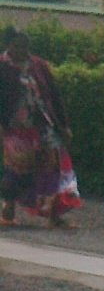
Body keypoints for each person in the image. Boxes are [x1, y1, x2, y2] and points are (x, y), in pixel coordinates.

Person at [0, 26, 82, 228]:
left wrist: (64, 125)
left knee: (55, 167)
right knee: (18, 170)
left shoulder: (38, 65)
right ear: (8, 45)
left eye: (26, 46)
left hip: (44, 125)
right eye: (18, 46)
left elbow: (54, 96)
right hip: (15, 128)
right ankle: (8, 206)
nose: (24, 50)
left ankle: (55, 215)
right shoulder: (2, 67)